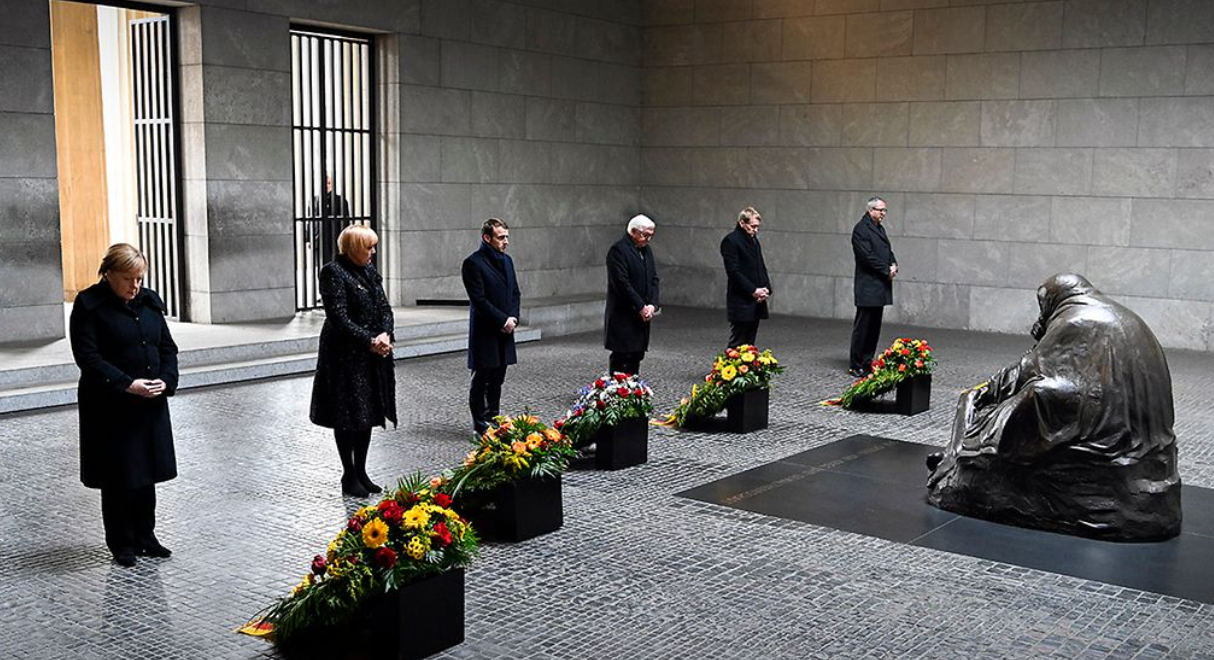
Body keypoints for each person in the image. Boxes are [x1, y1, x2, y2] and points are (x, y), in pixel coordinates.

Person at [927, 274, 1181, 541]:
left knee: (1031, 400)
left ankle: (970, 455)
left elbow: (1029, 371)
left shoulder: (1076, 320)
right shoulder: (1117, 315)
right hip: (1144, 445)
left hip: (1111, 440)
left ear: (1051, 302)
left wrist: (988, 393)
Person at [70, 243, 178, 567]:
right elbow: (88, 357)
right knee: (118, 475)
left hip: (148, 403)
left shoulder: (149, 302)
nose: (135, 286)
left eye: (140, 279)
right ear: (109, 274)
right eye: (129, 279)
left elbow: (167, 348)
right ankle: (122, 543)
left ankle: (146, 536)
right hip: (110, 406)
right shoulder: (89, 305)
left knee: (147, 471)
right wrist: (128, 384)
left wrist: (166, 381)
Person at [310, 224, 396, 498]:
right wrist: (370, 341)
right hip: (344, 356)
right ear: (354, 248)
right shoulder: (333, 272)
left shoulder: (368, 270)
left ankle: (361, 470)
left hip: (370, 353)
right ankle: (349, 474)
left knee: (366, 412)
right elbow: (338, 318)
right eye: (369, 247)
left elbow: (384, 308)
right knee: (347, 414)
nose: (373, 252)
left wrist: (384, 334)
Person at [461, 218, 521, 435]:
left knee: (498, 377)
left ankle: (493, 417)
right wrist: (503, 320)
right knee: (481, 378)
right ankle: (479, 423)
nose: (506, 241)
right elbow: (479, 300)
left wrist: (513, 318)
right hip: (485, 331)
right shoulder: (473, 263)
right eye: (501, 237)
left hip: (505, 329)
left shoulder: (507, 261)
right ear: (487, 238)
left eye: (507, 237)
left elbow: (515, 293)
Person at [605, 214, 660, 375]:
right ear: (634, 232)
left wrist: (652, 305)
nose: (648, 239)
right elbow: (621, 283)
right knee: (622, 356)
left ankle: (633, 386)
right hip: (624, 313)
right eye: (645, 235)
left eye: (651, 236)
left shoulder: (646, 250)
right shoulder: (618, 250)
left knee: (636, 355)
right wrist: (641, 306)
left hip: (642, 315)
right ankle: (619, 387)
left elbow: (653, 278)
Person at [848, 196, 897, 378]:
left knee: (874, 328)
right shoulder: (861, 229)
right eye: (880, 210)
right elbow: (867, 257)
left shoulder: (878, 228)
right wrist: (886, 269)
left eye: (885, 210)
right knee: (863, 327)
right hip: (868, 286)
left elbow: (887, 251)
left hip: (879, 285)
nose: (883, 213)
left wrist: (893, 264)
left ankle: (867, 362)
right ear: (871, 210)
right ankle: (856, 364)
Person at [720, 206, 772, 348]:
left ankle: (746, 363)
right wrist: (753, 290)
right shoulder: (731, 241)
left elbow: (760, 266)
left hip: (756, 298)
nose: (756, 230)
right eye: (753, 226)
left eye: (757, 227)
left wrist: (766, 289)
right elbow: (733, 272)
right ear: (742, 223)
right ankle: (731, 363)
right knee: (738, 340)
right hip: (741, 298)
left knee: (749, 341)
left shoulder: (753, 240)